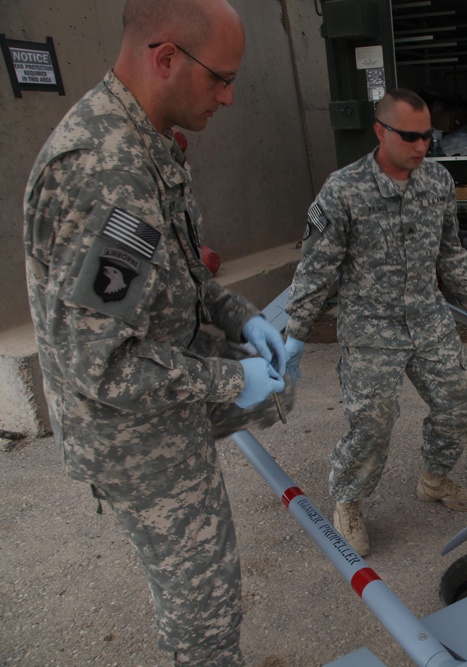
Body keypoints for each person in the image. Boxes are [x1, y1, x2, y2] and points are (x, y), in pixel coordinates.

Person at [22, 1, 291, 664]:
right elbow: (102, 366)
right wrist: (235, 377)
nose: (228, 98)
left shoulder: (143, 139)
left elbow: (181, 271)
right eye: (219, 79)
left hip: (162, 392)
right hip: (134, 431)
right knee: (204, 609)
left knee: (287, 380)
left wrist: (241, 316)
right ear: (164, 56)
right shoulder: (107, 174)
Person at [282, 88, 467, 557]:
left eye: (428, 136)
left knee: (459, 397)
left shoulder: (438, 182)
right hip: (370, 328)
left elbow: (449, 250)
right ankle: (348, 501)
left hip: (427, 318)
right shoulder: (343, 189)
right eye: (410, 136)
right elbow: (317, 268)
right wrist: (296, 333)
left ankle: (435, 479)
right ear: (381, 131)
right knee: (373, 422)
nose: (422, 146)